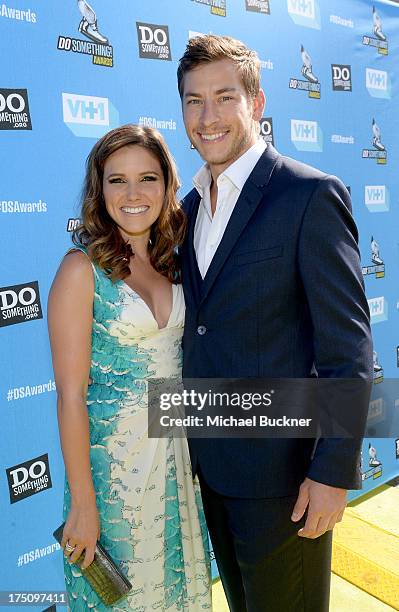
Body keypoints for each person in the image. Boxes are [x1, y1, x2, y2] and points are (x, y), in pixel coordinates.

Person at [177, 35, 373, 611]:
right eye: (193, 101)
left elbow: (348, 349)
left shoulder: (308, 196)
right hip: (213, 472)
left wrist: (333, 472)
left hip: (288, 482)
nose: (207, 117)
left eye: (223, 97)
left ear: (256, 102)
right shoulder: (187, 209)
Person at [47, 124, 211, 611]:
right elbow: (71, 397)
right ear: (99, 190)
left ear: (167, 185)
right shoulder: (80, 270)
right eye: (117, 180)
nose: (134, 194)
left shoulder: (178, 262)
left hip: (176, 465)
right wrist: (83, 504)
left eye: (148, 178)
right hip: (115, 475)